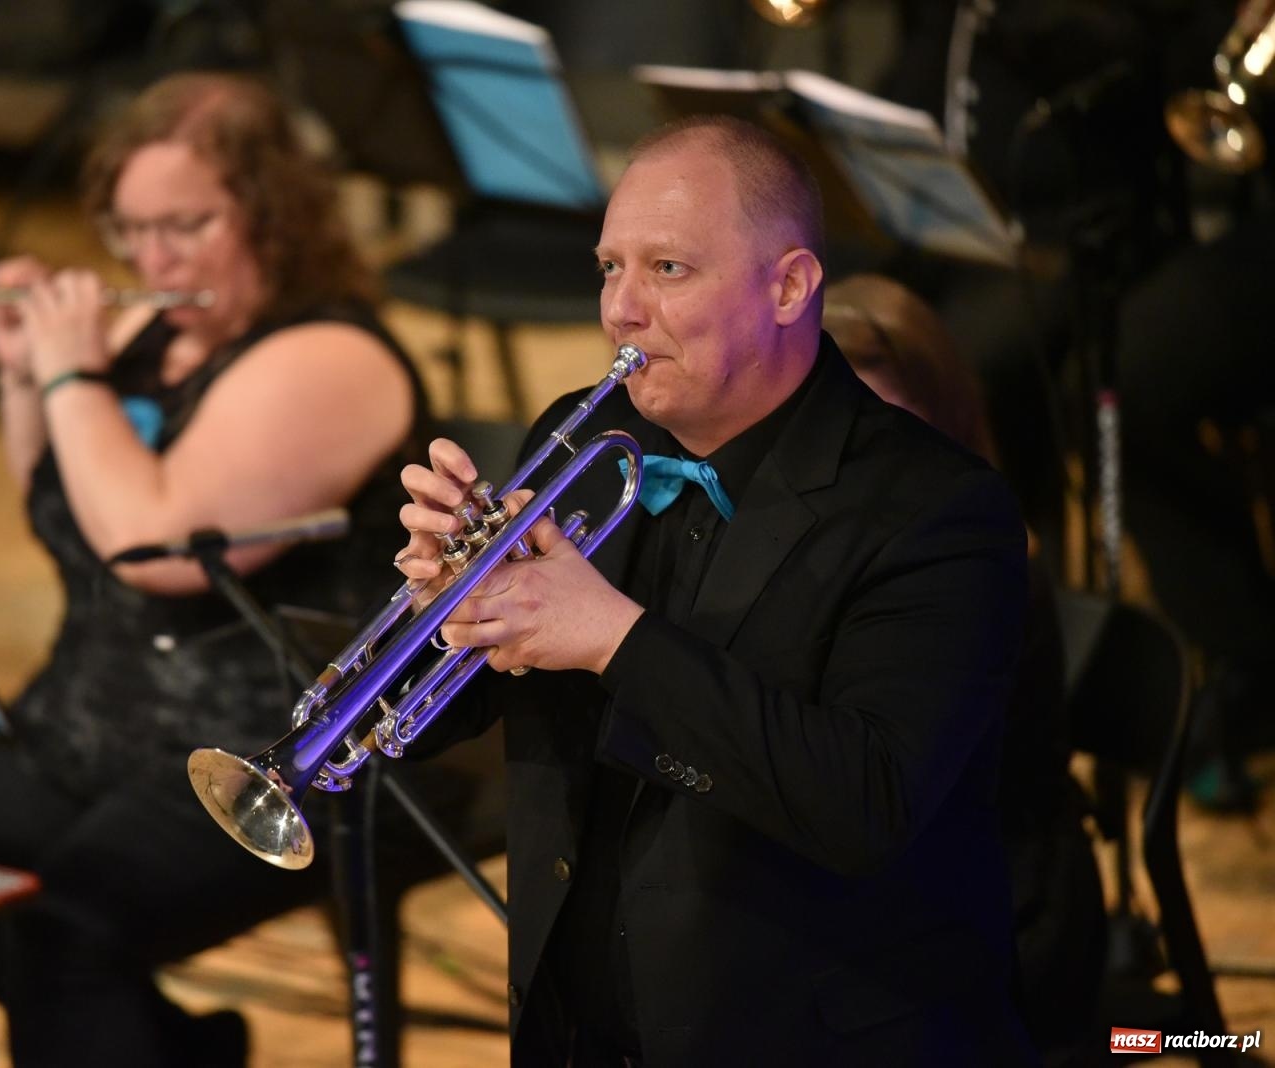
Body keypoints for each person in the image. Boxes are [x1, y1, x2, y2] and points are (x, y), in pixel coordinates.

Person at [396, 116, 1034, 1065]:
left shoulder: (936, 510)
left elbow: (864, 805)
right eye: (610, 267)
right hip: (578, 1026)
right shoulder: (581, 434)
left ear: (787, 286)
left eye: (667, 270)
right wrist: (443, 615)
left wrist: (617, 637)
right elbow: (444, 720)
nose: (621, 308)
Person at [0, 73, 460, 1068]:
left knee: (63, 934)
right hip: (96, 705)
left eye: (185, 226)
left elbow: (154, 548)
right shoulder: (144, 334)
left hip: (268, 739)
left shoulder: (328, 358)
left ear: (271, 216)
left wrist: (74, 373)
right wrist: (26, 376)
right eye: (130, 232)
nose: (154, 260)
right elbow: (65, 508)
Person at [825, 274, 1107, 1061]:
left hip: (1000, 925)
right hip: (908, 889)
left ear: (944, 424)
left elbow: (873, 798)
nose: (860, 463)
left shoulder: (976, 565)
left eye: (888, 431)